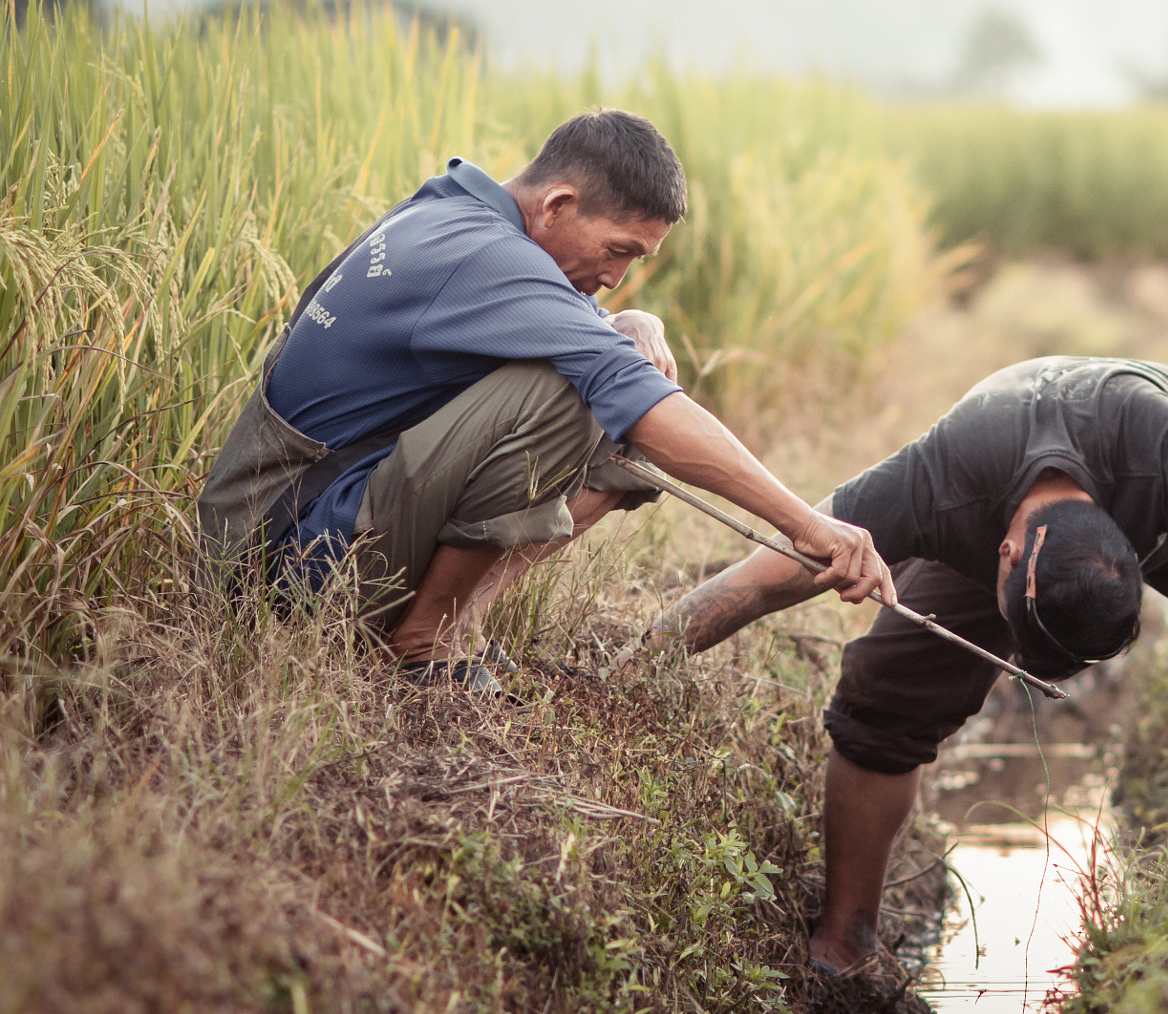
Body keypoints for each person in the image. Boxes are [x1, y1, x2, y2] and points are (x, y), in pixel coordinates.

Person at [636, 356, 1168, 971]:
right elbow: (766, 575)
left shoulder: (1166, 457)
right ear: (1002, 558)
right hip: (1000, 501)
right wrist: (639, 663)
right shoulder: (943, 480)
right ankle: (846, 945)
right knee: (886, 695)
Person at [196, 108, 893, 690]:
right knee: (579, 392)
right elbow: (628, 391)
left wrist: (635, 325)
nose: (618, 277)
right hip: (271, 565)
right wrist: (806, 525)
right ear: (558, 205)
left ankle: (462, 619)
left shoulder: (458, 213)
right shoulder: (486, 256)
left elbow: (613, 350)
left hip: (299, 518)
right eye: (620, 251)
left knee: (617, 367)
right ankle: (422, 645)